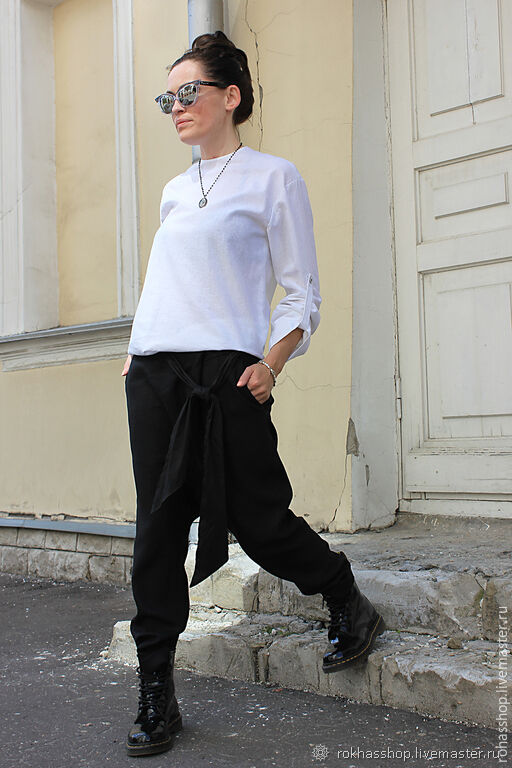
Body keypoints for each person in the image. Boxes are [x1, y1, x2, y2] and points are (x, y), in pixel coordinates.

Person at [121, 31, 384, 758]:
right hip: (156, 376)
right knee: (157, 531)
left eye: (188, 92)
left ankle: (343, 594)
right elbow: (168, 284)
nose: (176, 106)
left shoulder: (274, 177)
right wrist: (137, 351)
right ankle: (155, 690)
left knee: (259, 519)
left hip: (230, 376)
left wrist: (273, 363)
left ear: (230, 95)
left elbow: (302, 292)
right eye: (167, 98)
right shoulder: (176, 190)